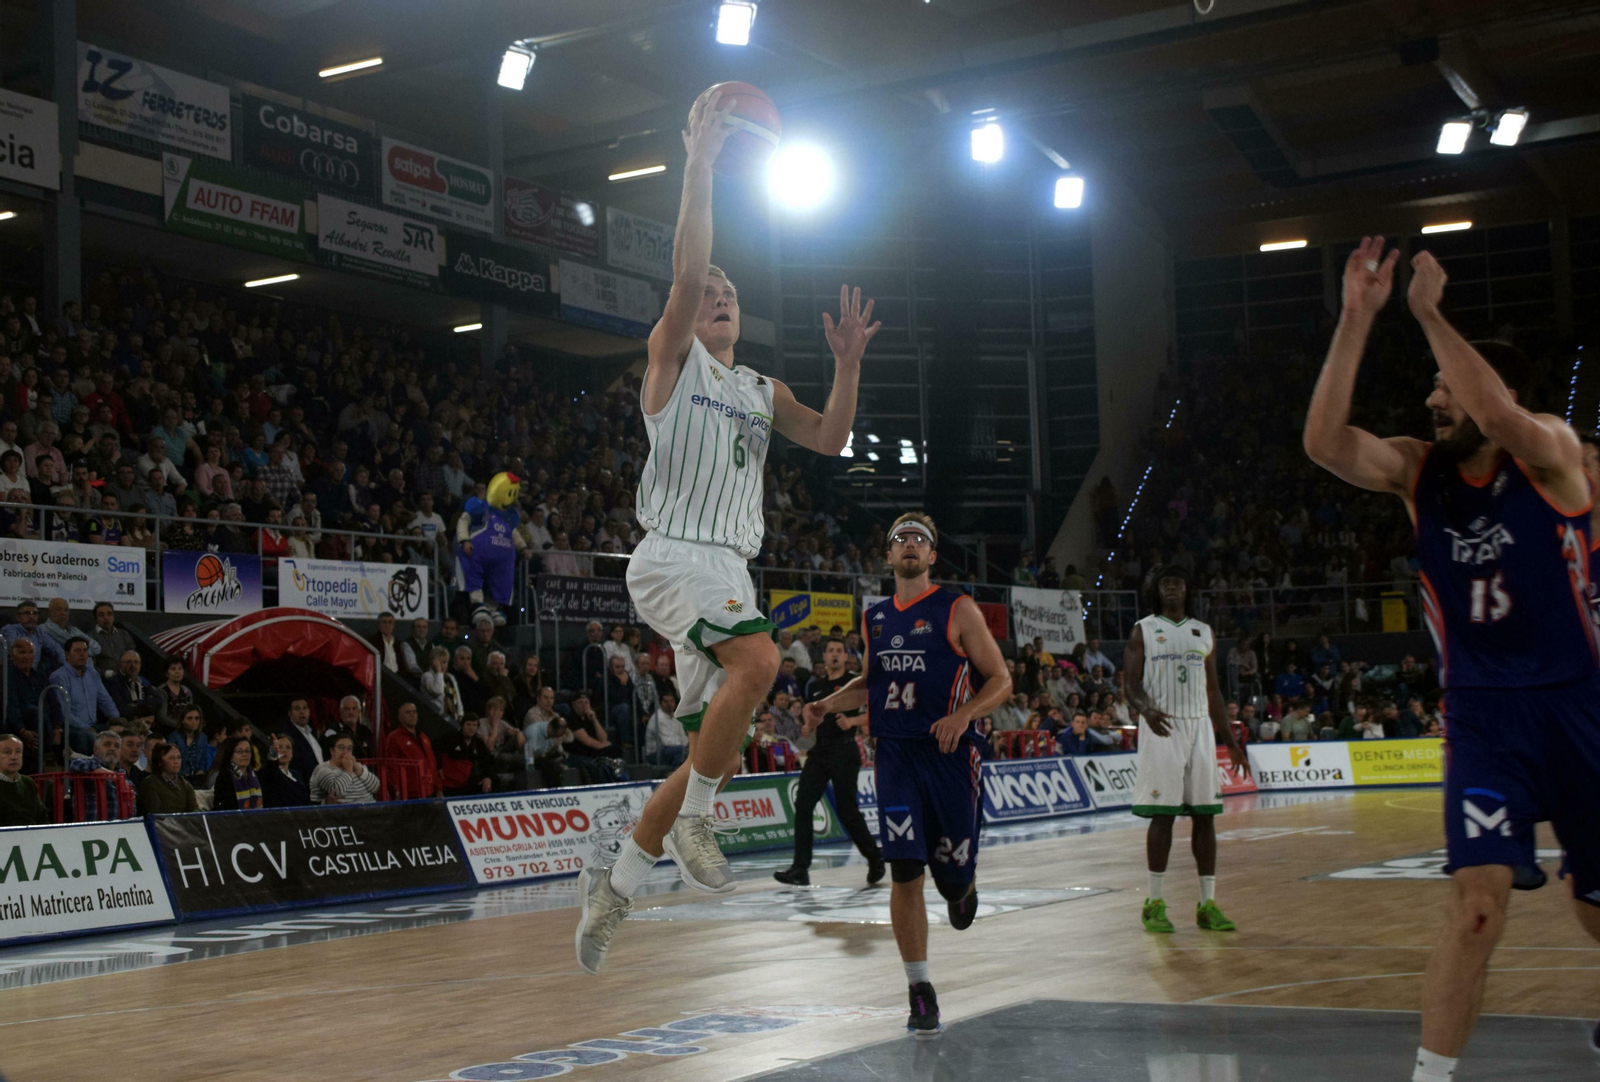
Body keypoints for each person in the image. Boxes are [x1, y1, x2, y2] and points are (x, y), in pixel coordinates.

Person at [577, 89, 881, 976]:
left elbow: (830, 437)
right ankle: (700, 824)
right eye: (705, 289)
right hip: (673, 555)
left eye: (728, 292)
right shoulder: (672, 360)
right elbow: (683, 276)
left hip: (729, 571)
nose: (715, 294)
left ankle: (619, 883)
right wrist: (701, 166)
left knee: (716, 739)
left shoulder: (760, 390)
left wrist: (849, 366)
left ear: (741, 317)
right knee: (761, 666)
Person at [1303, 235, 1600, 1082]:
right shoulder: (1418, 472)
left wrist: (1431, 314)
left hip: (1579, 704)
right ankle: (1431, 1077)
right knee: (1475, 907)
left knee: (1594, 903)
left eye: (1444, 385)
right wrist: (1356, 320)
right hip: (1483, 716)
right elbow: (1326, 443)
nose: (1433, 399)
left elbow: (1500, 417)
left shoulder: (1553, 453)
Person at [797, 512, 1010, 1037]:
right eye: (899, 539)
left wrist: (963, 716)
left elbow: (1001, 679)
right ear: (888, 556)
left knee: (953, 885)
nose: (909, 544)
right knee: (905, 871)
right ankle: (919, 989)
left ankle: (963, 885)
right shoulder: (875, 618)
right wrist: (825, 704)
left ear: (932, 555)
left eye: (919, 538)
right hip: (895, 756)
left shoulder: (957, 607)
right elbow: (869, 685)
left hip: (951, 756)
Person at [1122, 565, 1251, 937]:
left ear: (1188, 589)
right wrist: (1145, 709)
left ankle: (1207, 904)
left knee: (1205, 816)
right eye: (1166, 583)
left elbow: (1214, 693)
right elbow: (1129, 685)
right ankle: (1154, 903)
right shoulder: (1143, 629)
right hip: (1163, 726)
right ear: (1157, 590)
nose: (1173, 588)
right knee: (1162, 816)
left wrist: (1232, 743)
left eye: (1178, 582)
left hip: (1200, 729)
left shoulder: (1203, 632)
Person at [773, 636, 884, 887]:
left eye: (839, 651)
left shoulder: (854, 683)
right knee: (803, 805)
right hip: (819, 751)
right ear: (823, 657)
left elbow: (876, 712)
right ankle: (800, 868)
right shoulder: (814, 686)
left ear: (846, 657)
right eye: (830, 651)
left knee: (847, 810)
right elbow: (812, 720)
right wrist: (808, 727)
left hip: (845, 751)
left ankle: (874, 857)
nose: (834, 655)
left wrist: (854, 722)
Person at [49, 638, 118, 754]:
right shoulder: (59, 677)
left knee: (120, 734)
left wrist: (117, 720)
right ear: (67, 655)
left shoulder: (92, 673)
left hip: (92, 726)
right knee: (90, 738)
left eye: (85, 650)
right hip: (71, 727)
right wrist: (86, 728)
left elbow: (105, 700)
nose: (82, 654)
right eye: (77, 651)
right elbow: (64, 712)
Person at [380, 701, 439, 797]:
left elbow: (432, 762)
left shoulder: (423, 736)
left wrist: (438, 787)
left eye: (414, 712)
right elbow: (391, 767)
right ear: (400, 717)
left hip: (428, 790)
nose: (412, 715)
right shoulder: (394, 737)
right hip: (409, 792)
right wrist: (396, 791)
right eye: (408, 712)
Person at [311, 733, 381, 804]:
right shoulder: (322, 769)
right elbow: (337, 792)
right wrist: (348, 770)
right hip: (345, 812)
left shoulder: (357, 766)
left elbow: (375, 787)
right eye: (341, 747)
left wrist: (357, 769)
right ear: (332, 751)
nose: (346, 752)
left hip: (370, 809)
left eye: (349, 748)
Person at [436, 714, 494, 796]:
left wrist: (488, 777)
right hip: (449, 781)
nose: (471, 728)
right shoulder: (450, 738)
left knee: (492, 781)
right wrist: (439, 766)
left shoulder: (478, 743)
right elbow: (434, 750)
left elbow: (487, 761)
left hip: (467, 781)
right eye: (468, 724)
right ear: (462, 726)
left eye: (474, 725)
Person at [2, 601, 65, 674]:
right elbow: (15, 650)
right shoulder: (10, 630)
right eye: (27, 613)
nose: (31, 617)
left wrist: (65, 668)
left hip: (32, 674)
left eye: (34, 613)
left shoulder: (39, 632)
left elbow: (57, 649)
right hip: (11, 673)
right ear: (18, 617)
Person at [137, 742, 199, 815]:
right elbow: (155, 814)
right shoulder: (150, 783)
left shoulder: (185, 784)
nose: (176, 762)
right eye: (171, 758)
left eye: (179, 757)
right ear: (159, 762)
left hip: (183, 824)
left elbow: (194, 811)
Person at [0, 734, 48, 825]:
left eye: (18, 752)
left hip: (33, 836)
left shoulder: (28, 782)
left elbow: (42, 817)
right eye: (7, 752)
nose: (14, 757)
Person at [277, 696, 325, 779]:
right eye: (297, 709)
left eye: (305, 708)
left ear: (309, 712)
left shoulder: (310, 731)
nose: (302, 712)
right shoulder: (288, 735)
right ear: (290, 714)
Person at [259, 731, 311, 808]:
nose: (284, 750)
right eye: (279, 747)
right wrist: (273, 754)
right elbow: (271, 768)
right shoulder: (269, 772)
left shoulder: (296, 775)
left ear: (292, 753)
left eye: (288, 747)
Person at [211, 736, 263, 810]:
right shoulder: (225, 776)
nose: (244, 754)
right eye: (239, 751)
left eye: (247, 751)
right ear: (231, 755)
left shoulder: (254, 775)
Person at [421, 646, 465, 726]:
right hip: (435, 719)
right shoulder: (427, 676)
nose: (444, 665)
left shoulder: (450, 677)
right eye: (440, 662)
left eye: (445, 662)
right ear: (433, 662)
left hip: (452, 720)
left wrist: (460, 715)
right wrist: (438, 671)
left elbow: (457, 698)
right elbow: (437, 690)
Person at [644, 691, 688, 767]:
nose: (669, 704)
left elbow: (683, 739)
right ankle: (674, 773)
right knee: (679, 749)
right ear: (660, 704)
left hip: (669, 750)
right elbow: (667, 742)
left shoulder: (676, 718)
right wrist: (683, 746)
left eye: (671, 701)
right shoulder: (658, 718)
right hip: (655, 753)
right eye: (665, 701)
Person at [169, 706, 214, 781]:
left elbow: (203, 759)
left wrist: (200, 771)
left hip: (197, 778)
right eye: (190, 718)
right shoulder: (173, 738)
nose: (194, 721)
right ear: (182, 720)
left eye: (197, 718)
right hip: (178, 779)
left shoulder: (203, 738)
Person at [152, 657, 195, 734]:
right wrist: (181, 726)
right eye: (173, 669)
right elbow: (162, 717)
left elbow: (190, 712)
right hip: (167, 731)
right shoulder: (162, 691)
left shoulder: (187, 691)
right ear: (166, 673)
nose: (177, 672)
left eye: (180, 668)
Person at [106, 650, 152, 718]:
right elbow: (122, 709)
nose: (133, 665)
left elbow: (156, 700)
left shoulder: (143, 681)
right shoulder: (113, 683)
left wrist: (136, 704)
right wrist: (145, 704)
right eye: (128, 662)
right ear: (120, 665)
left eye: (136, 662)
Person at [90, 602, 136, 670]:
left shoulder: (124, 634)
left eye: (109, 614)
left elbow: (132, 656)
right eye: (101, 615)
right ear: (96, 618)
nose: (106, 618)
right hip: (102, 678)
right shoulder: (90, 637)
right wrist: (104, 673)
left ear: (113, 617)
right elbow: (89, 664)